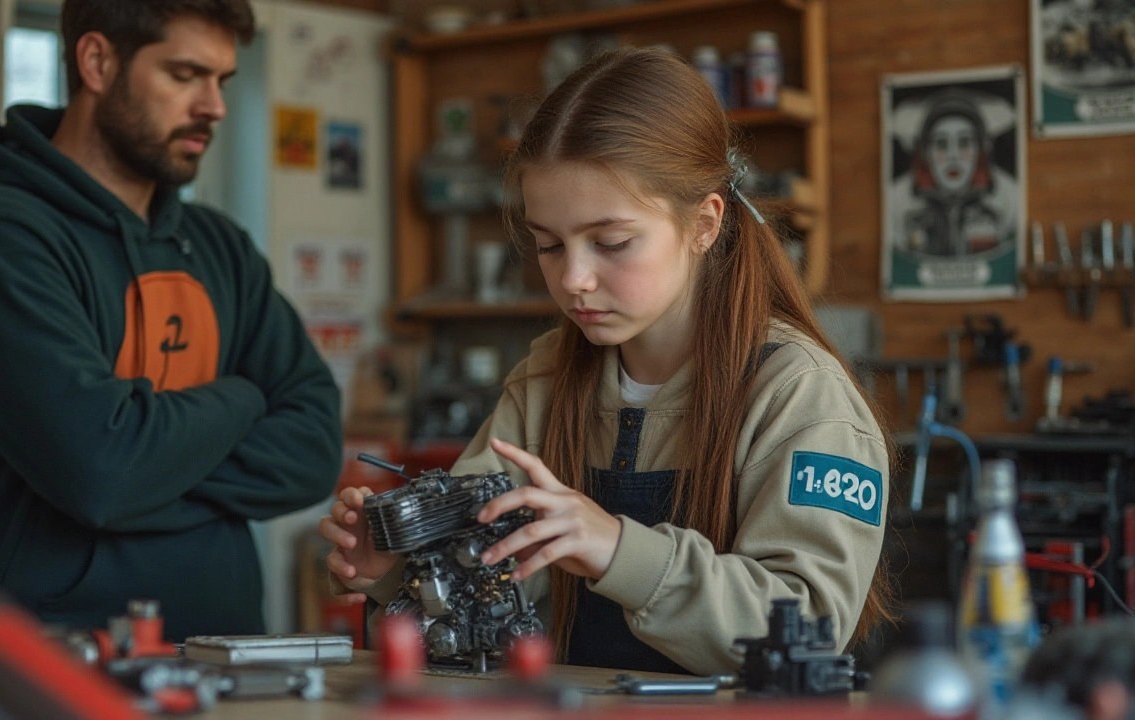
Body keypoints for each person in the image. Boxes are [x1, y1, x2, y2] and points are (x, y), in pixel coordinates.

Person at [321, 47, 894, 675]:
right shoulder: (543, 379)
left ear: (704, 224)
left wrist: (620, 551)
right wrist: (398, 569)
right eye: (547, 245)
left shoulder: (801, 396)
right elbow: (482, 594)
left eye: (611, 242)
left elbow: (811, 626)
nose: (574, 279)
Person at [0, 0, 343, 641]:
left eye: (222, 80)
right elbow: (103, 472)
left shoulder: (220, 246)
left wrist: (148, 459)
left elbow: (314, 449)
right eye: (185, 75)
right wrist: (243, 397)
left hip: (230, 655)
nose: (214, 106)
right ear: (97, 61)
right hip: (54, 659)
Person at [895, 90, 1015, 257]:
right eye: (941, 143)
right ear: (924, 152)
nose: (953, 156)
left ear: (980, 150)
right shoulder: (898, 203)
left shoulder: (1008, 199)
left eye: (964, 142)